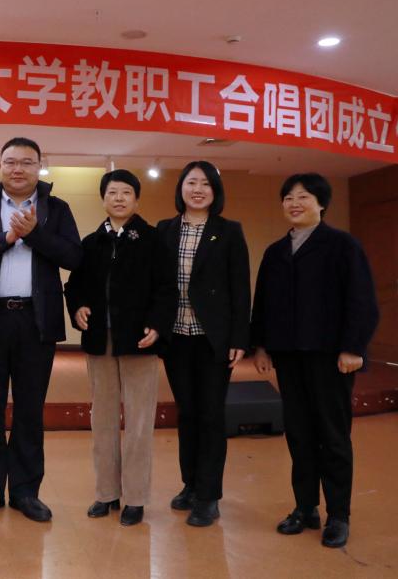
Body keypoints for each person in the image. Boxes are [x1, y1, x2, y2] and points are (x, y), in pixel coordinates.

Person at [0, 136, 82, 522]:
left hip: (35, 320)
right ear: (0, 165)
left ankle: (25, 491)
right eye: (10, 162)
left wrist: (35, 234)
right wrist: (6, 239)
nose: (18, 169)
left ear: (39, 166)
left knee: (29, 408)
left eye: (26, 162)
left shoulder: (57, 208)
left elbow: (74, 257)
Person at [251, 173, 378, 549]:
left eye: (303, 197)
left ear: (321, 204)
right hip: (289, 356)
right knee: (299, 434)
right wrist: (260, 346)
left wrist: (353, 347)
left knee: (333, 435)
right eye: (288, 197)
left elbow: (361, 299)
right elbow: (263, 302)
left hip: (330, 356)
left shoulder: (342, 245)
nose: (294, 203)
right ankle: (305, 507)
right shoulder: (275, 252)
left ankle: (339, 514)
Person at [65, 170, 175, 526]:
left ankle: (136, 498)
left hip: (139, 341)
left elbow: (166, 288)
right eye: (112, 192)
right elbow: (75, 285)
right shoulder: (91, 242)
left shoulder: (153, 240)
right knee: (103, 419)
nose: (119, 198)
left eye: (126, 192)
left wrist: (157, 325)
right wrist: (78, 306)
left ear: (137, 200)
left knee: (139, 423)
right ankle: (106, 493)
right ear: (103, 199)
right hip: (100, 340)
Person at [156, 161, 251, 527]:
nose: (198, 189)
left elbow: (240, 288)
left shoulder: (229, 231)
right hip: (176, 338)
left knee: (211, 415)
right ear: (181, 187)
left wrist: (240, 337)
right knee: (187, 413)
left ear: (215, 191)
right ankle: (191, 484)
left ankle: (209, 496)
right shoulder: (165, 229)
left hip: (213, 339)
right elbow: (156, 284)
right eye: (191, 182)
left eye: (206, 184)